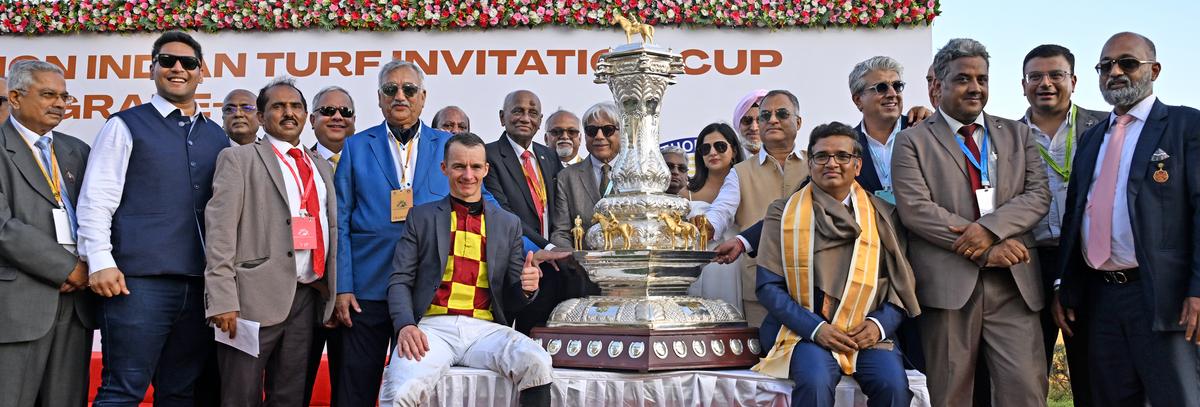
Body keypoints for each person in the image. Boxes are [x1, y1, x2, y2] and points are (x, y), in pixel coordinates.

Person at [891, 38, 1051, 406]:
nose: (975, 88)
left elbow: (1038, 195)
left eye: (982, 79)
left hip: (1014, 283)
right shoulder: (912, 141)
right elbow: (917, 210)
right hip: (949, 287)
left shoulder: (1017, 133)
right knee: (951, 395)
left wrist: (990, 232)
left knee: (1026, 391)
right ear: (937, 86)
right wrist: (984, 251)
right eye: (963, 79)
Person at [78, 31, 230, 406]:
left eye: (188, 63)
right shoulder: (125, 125)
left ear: (201, 72)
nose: (178, 68)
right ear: (153, 69)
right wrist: (99, 261)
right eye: (167, 61)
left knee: (180, 393)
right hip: (137, 285)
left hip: (199, 289)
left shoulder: (217, 137)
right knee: (122, 391)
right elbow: (96, 199)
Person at [1056, 32, 1200, 406]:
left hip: (1161, 298)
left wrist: (1198, 289)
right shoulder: (1092, 138)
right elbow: (1076, 215)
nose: (1114, 72)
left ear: (1154, 69)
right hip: (1100, 298)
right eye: (1105, 66)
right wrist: (1065, 285)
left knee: (1177, 398)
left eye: (1127, 63)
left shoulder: (1186, 127)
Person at [753, 121, 920, 407]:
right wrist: (816, 328)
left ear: (857, 165)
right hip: (803, 331)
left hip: (865, 332)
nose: (832, 163)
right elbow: (769, 286)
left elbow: (900, 285)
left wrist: (879, 326)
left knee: (892, 386)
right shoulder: (782, 213)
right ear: (810, 163)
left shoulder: (884, 214)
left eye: (842, 156)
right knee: (815, 381)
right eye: (822, 156)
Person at [379, 132, 553, 406]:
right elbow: (400, 280)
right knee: (401, 391)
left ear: (486, 169)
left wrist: (528, 288)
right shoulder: (421, 217)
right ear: (444, 168)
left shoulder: (508, 224)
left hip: (486, 329)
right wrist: (406, 325)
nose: (468, 175)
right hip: (431, 329)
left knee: (538, 362)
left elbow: (513, 297)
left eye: (475, 167)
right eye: (459, 166)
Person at [203, 77, 338, 406]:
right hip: (250, 301)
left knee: (289, 396)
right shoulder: (239, 160)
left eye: (295, 107)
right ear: (261, 118)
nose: (288, 113)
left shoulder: (321, 166)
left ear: (307, 116)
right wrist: (222, 299)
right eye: (278, 106)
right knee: (240, 396)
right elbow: (219, 233)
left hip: (306, 297)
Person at [1017, 44, 1108, 406]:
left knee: (1095, 367)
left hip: (1089, 262)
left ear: (1073, 80)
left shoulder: (1106, 125)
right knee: (1026, 370)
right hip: (1029, 263)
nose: (1046, 83)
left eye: (1056, 75)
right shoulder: (1006, 135)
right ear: (1023, 85)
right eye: (1035, 76)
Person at [0, 60, 94, 407]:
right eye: (48, 95)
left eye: (64, 97)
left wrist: (89, 265)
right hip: (18, 304)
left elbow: (96, 216)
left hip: (76, 304)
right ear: (15, 97)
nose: (59, 104)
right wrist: (65, 267)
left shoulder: (77, 151)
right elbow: (3, 227)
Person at [705, 90, 811, 326]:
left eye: (782, 113)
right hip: (760, 291)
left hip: (814, 287)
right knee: (762, 360)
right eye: (765, 116)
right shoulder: (740, 172)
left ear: (799, 122)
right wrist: (702, 228)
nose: (772, 120)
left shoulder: (818, 164)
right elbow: (721, 211)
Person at [483, 90, 561, 250]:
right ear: (502, 117)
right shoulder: (488, 156)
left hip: (552, 260)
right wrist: (546, 247)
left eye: (532, 113)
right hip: (513, 256)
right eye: (518, 111)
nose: (525, 119)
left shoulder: (550, 156)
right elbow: (502, 212)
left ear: (540, 122)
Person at [683, 123, 744, 308]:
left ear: (733, 151)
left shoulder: (746, 186)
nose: (712, 152)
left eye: (720, 146)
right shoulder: (686, 192)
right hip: (695, 271)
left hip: (734, 267)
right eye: (705, 148)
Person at [550, 102, 622, 249]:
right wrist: (576, 263)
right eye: (592, 130)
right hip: (584, 268)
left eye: (608, 130)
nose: (599, 136)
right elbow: (561, 233)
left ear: (623, 133)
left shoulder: (637, 173)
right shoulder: (567, 177)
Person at [310, 85, 356, 168]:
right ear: (313, 120)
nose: (337, 117)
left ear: (354, 121)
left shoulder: (372, 163)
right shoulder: (298, 163)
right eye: (328, 110)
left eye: (345, 111)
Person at [733, 89, 768, 159]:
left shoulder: (784, 161)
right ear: (738, 124)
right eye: (747, 120)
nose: (754, 128)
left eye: (761, 120)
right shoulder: (729, 161)